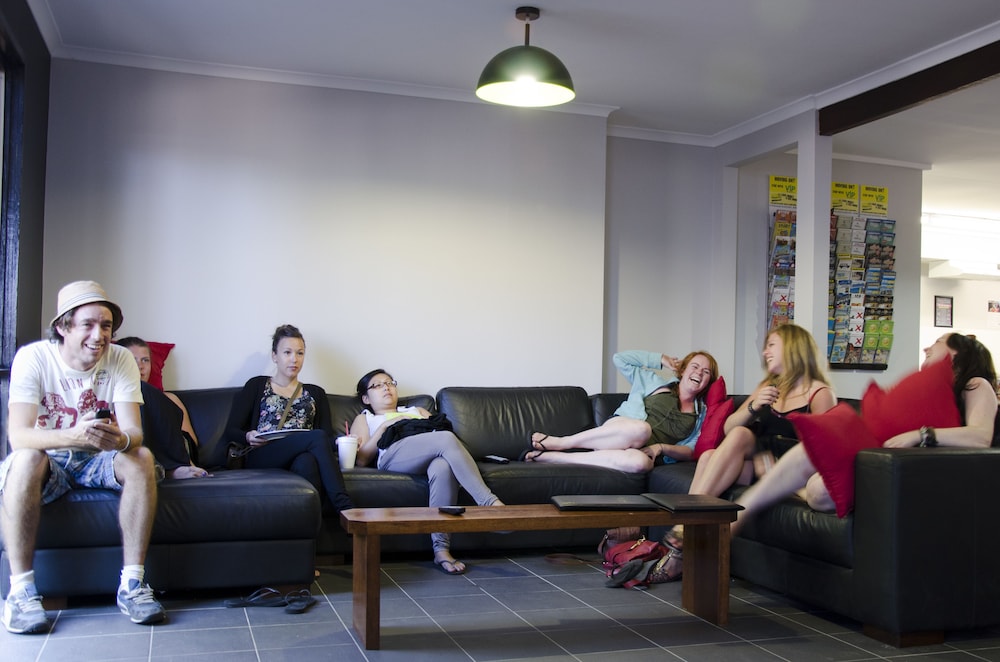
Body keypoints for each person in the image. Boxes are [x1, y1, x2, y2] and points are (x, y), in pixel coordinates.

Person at [1, 281, 165, 634]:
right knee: (25, 460)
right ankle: (20, 592)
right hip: (50, 458)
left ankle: (133, 585)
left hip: (99, 456)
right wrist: (74, 435)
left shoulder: (120, 357)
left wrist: (119, 438)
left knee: (141, 456)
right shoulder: (33, 358)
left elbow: (134, 433)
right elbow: (19, 436)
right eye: (88, 325)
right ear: (63, 327)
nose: (99, 335)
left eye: (106, 326)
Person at [732, 332, 998, 535]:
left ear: (957, 353)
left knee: (818, 492)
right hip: (883, 461)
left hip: (914, 474)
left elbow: (981, 437)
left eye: (938, 342)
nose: (926, 348)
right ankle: (739, 516)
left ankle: (779, 491)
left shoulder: (975, 384)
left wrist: (921, 435)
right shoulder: (922, 391)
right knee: (816, 459)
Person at [657, 324, 836, 583]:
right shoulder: (770, 386)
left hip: (787, 471)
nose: (765, 352)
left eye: (771, 345)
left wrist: (778, 466)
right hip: (758, 461)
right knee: (719, 448)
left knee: (722, 450)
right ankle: (688, 528)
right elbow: (729, 428)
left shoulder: (819, 393)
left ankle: (684, 533)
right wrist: (753, 406)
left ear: (792, 347)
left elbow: (821, 450)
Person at [350, 369, 504, 575]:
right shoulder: (366, 418)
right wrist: (385, 426)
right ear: (366, 398)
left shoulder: (418, 410)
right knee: (446, 439)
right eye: (378, 385)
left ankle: (441, 550)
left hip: (431, 453)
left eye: (390, 383)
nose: (386, 387)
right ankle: (490, 505)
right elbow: (361, 459)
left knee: (443, 466)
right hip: (394, 456)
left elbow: (442, 434)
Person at [223, 324, 353, 514]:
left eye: (300, 353)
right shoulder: (257, 385)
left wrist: (346, 441)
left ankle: (313, 524)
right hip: (264, 453)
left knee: (307, 462)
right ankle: (345, 509)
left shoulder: (316, 392)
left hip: (302, 452)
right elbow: (231, 431)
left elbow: (327, 436)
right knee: (316, 437)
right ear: (274, 356)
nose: (294, 359)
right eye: (287, 352)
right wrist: (248, 436)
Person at [521, 350, 720, 473]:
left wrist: (661, 448)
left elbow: (690, 450)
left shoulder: (701, 414)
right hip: (623, 431)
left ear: (708, 381)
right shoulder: (654, 382)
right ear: (683, 370)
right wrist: (660, 359)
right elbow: (620, 359)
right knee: (641, 430)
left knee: (641, 464)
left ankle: (558, 458)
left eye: (706, 372)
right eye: (695, 366)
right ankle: (562, 442)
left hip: (640, 450)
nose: (699, 373)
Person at [117, 337, 210, 479]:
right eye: (133, 360)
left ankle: (172, 468)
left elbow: (190, 441)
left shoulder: (169, 399)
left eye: (145, 360)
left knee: (141, 389)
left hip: (177, 454)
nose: (140, 366)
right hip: (132, 453)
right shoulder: (111, 401)